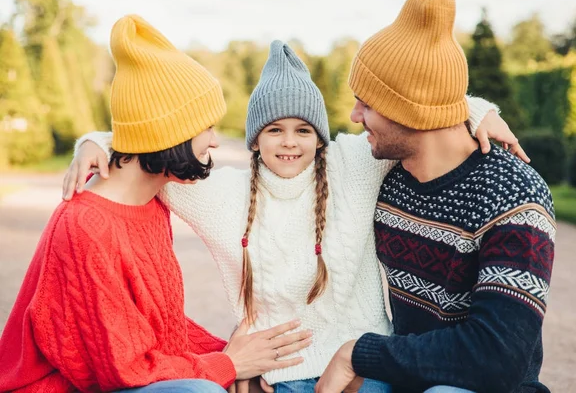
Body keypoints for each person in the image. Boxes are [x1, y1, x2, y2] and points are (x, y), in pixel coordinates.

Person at [63, 39, 522, 392]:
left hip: (365, 370)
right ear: (254, 139)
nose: (289, 142)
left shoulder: (353, 165)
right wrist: (96, 142)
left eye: (303, 129)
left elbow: (416, 115)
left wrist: (475, 111)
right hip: (276, 373)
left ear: (320, 136)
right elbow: (151, 145)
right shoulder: (217, 192)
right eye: (274, 130)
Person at [0, 16, 311, 393]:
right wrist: (226, 364)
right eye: (206, 127)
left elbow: (160, 332)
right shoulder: (85, 224)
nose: (214, 141)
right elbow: (123, 366)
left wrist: (237, 357)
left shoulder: (151, 201)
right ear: (169, 133)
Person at [315, 0, 556, 392]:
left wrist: (358, 353)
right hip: (406, 378)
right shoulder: (382, 170)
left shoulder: (513, 195)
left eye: (366, 104)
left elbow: (497, 357)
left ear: (411, 112)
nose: (355, 116)